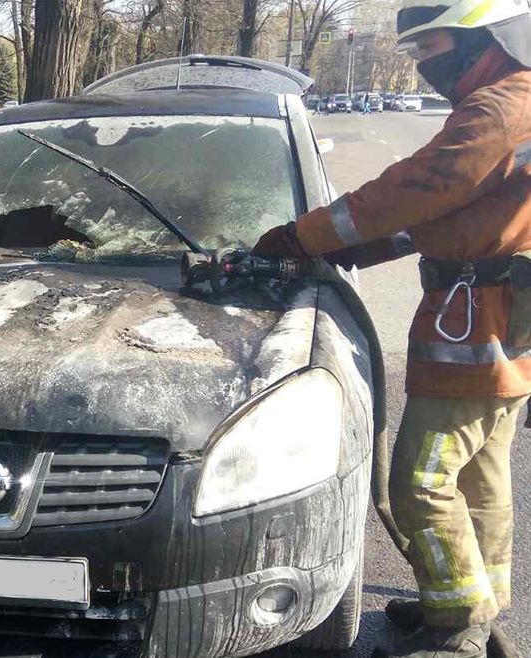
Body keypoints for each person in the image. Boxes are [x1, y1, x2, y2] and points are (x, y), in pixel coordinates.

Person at [254, 1, 531, 656]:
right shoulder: (514, 100)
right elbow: (445, 214)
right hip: (500, 324)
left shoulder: (499, 109)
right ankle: (473, 603)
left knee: (421, 484)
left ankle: (456, 629)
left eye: (428, 49)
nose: (423, 65)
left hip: (477, 328)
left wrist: (304, 235)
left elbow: (413, 190)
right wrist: (359, 248)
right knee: (479, 478)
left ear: (479, 38)